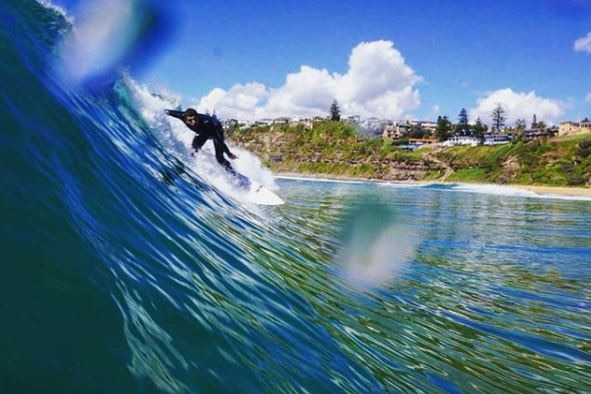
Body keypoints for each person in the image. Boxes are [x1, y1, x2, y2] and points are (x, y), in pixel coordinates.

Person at [165, 108, 238, 175]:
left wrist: (228, 153)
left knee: (219, 157)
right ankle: (192, 166)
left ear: (197, 117)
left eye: (195, 119)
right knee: (194, 149)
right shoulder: (182, 116)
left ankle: (233, 173)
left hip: (215, 129)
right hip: (202, 132)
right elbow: (168, 111)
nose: (193, 122)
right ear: (185, 118)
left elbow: (219, 141)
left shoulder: (207, 124)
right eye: (190, 120)